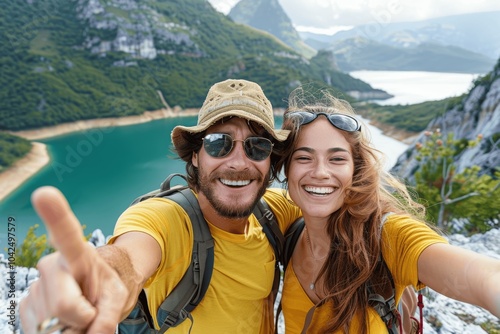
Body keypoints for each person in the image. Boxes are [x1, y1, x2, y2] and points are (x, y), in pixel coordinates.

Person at [19, 79, 302, 334]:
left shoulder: (275, 211)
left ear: (270, 159)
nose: (239, 162)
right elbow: (128, 260)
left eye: (258, 146)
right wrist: (100, 281)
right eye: (219, 144)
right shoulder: (165, 219)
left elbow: (329, 203)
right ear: (195, 156)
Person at [275, 87, 500, 333]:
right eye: (303, 158)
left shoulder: (386, 235)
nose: (319, 172)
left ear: (356, 170)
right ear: (287, 168)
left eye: (337, 159)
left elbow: (483, 276)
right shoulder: (288, 221)